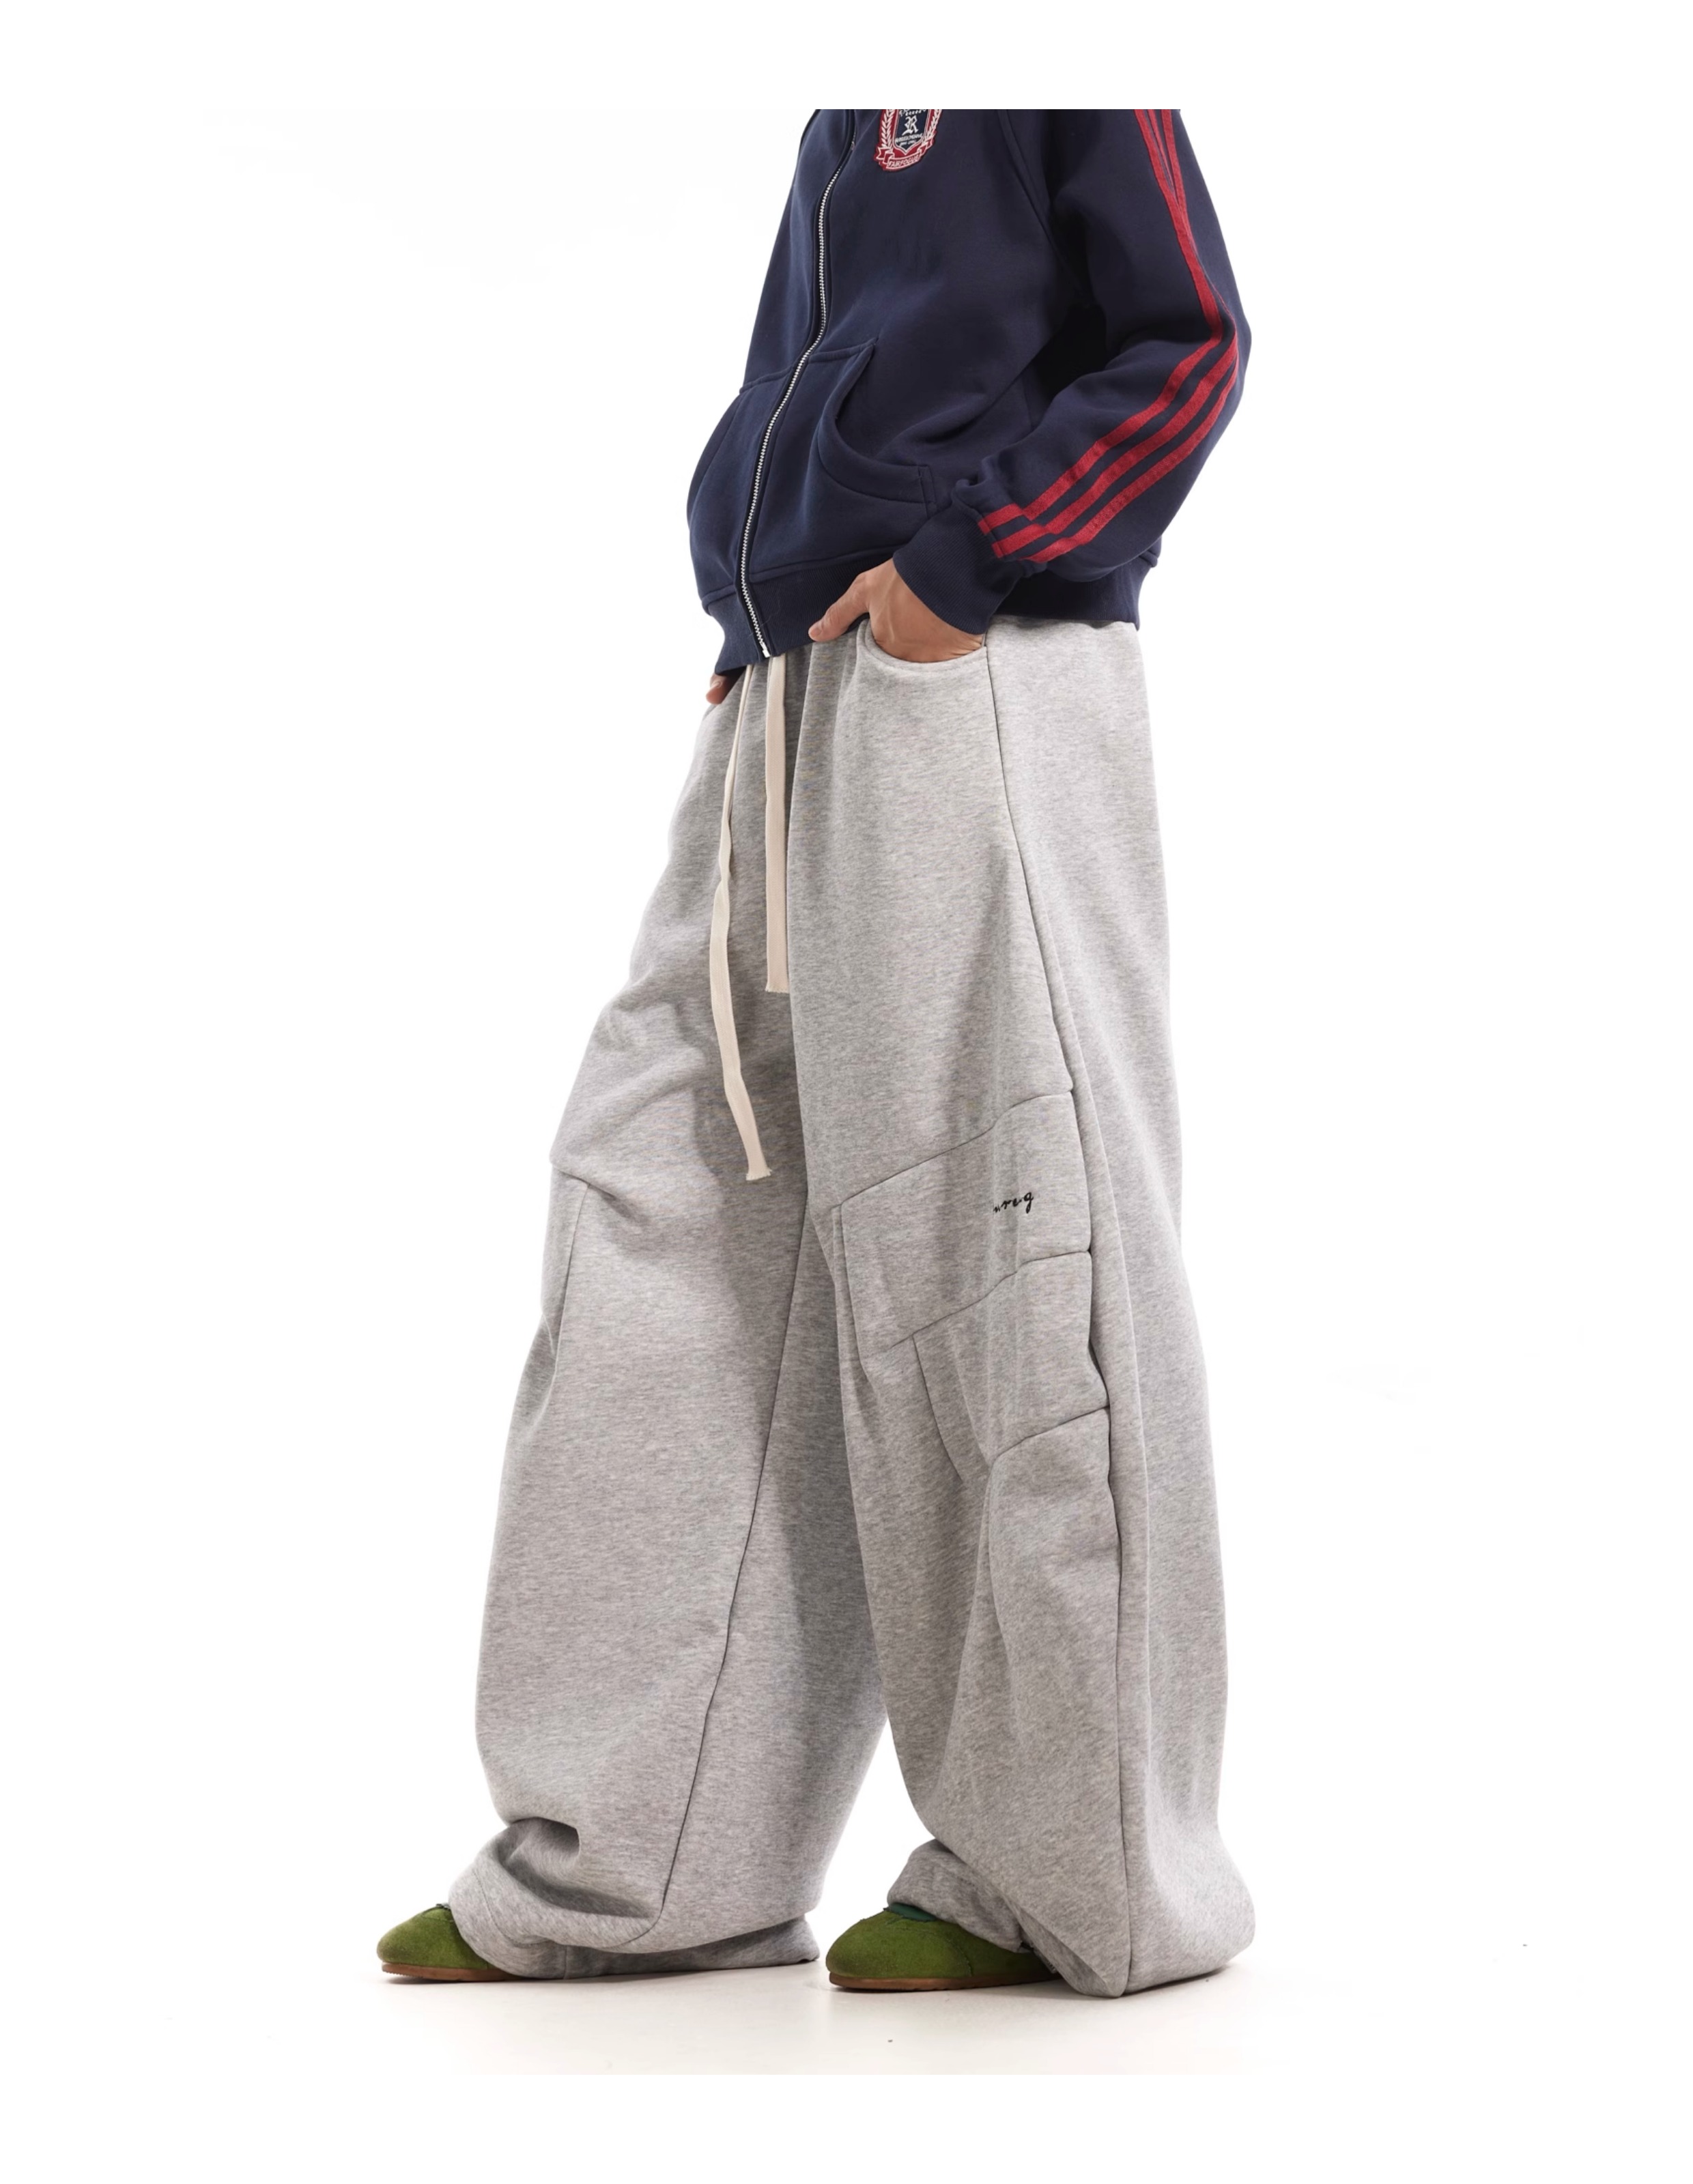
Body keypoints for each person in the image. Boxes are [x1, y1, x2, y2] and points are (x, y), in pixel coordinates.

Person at [379, 106, 1254, 1998]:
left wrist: (975, 564)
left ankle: (1075, 1875)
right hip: (794, 678)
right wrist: (751, 597)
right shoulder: (850, 94)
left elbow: (1187, 341)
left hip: (980, 664)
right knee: (666, 1226)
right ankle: (635, 1863)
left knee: (1005, 1236)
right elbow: (814, 365)